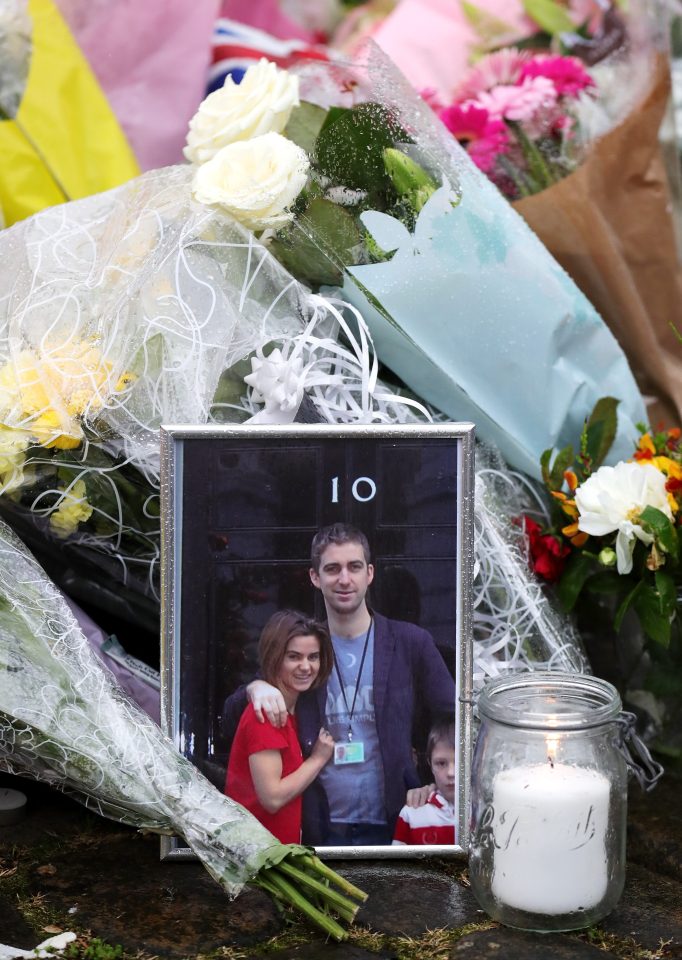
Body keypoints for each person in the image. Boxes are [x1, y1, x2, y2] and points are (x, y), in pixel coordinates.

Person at [223, 522, 457, 846]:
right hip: (319, 825)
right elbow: (232, 717)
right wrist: (255, 688)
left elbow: (453, 718)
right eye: (332, 569)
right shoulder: (305, 648)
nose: (344, 579)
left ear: (370, 574)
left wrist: (433, 780)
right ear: (315, 578)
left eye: (354, 567)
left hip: (396, 819)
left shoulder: (410, 642)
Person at [224, 610, 335, 844]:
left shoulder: (295, 709)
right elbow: (272, 798)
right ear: (275, 657)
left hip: (277, 853)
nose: (306, 666)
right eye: (294, 657)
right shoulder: (265, 713)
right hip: (259, 858)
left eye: (313, 657)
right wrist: (317, 759)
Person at [392, 718, 456, 845]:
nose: (451, 773)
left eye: (460, 762)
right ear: (430, 764)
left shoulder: (482, 813)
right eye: (441, 763)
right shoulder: (412, 813)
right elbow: (397, 864)